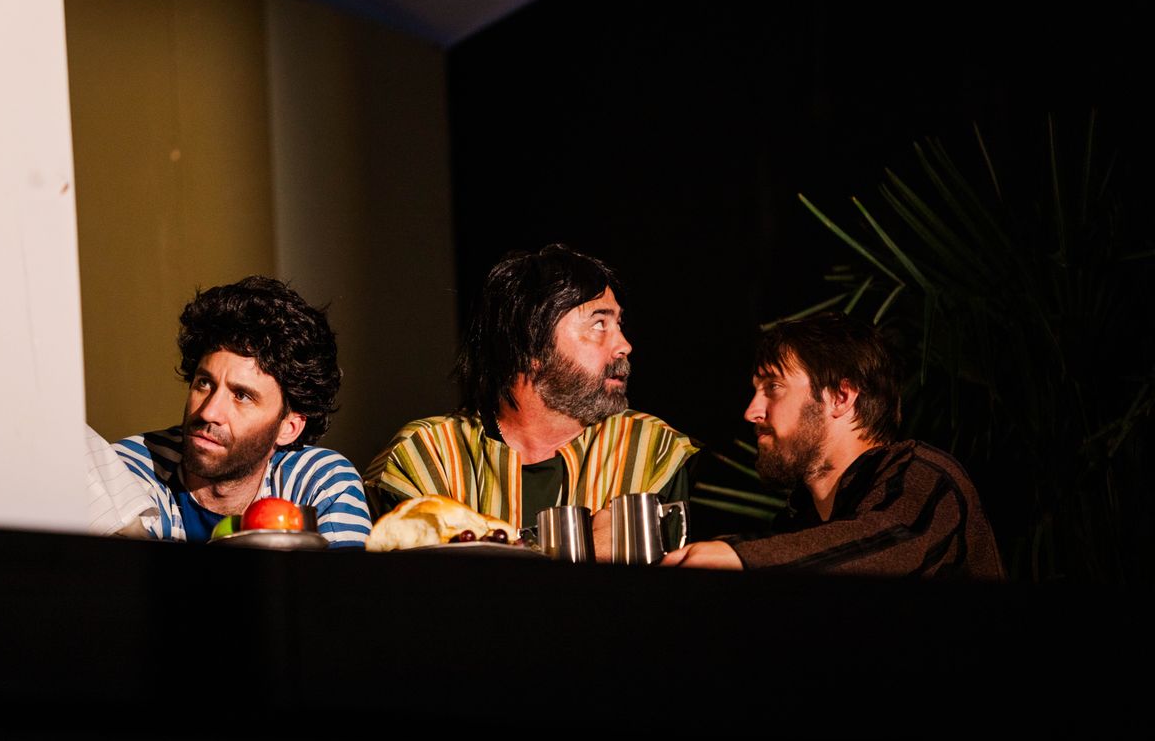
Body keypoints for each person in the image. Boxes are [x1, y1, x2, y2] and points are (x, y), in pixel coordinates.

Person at [364, 244, 699, 559]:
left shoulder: (652, 449)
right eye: (599, 324)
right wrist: (588, 549)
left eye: (618, 323)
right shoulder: (426, 455)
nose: (624, 345)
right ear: (531, 344)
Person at [662, 311, 1005, 580]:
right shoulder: (799, 523)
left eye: (773, 387)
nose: (752, 411)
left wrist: (736, 556)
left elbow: (887, 542)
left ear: (841, 397)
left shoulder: (928, 478)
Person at [112, 276, 371, 548]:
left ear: (289, 427)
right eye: (204, 383)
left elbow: (346, 578)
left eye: (242, 396)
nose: (210, 412)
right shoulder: (125, 470)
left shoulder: (320, 483)